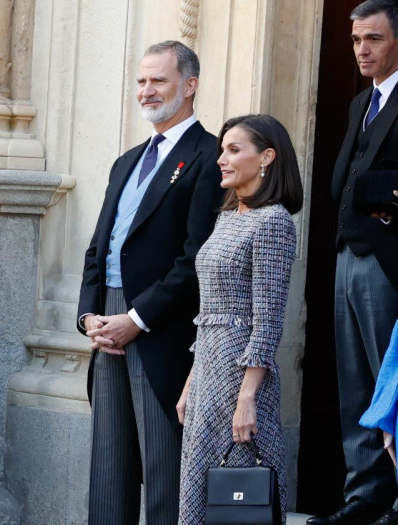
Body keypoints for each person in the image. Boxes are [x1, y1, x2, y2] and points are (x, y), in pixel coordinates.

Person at [77, 41, 223, 525]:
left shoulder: (209, 156)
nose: (146, 90)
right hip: (108, 325)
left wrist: (136, 320)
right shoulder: (127, 160)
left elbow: (196, 258)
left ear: (189, 85)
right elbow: (99, 248)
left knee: (165, 475)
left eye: (158, 80)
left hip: (161, 329)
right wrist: (89, 317)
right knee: (109, 470)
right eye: (141, 81)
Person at [176, 114, 302, 524]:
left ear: (266, 157)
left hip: (241, 378)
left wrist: (247, 398)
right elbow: (208, 313)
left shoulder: (274, 222)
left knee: (239, 497)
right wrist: (191, 383)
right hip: (208, 374)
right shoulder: (228, 217)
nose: (221, 159)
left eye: (233, 150)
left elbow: (268, 321)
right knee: (200, 494)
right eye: (222, 150)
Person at [313, 3, 398, 524]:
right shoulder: (360, 103)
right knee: (356, 383)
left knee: (394, 383)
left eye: (374, 39)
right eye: (356, 40)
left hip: (388, 260)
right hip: (347, 253)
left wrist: (377, 194)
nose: (362, 50)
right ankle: (364, 497)